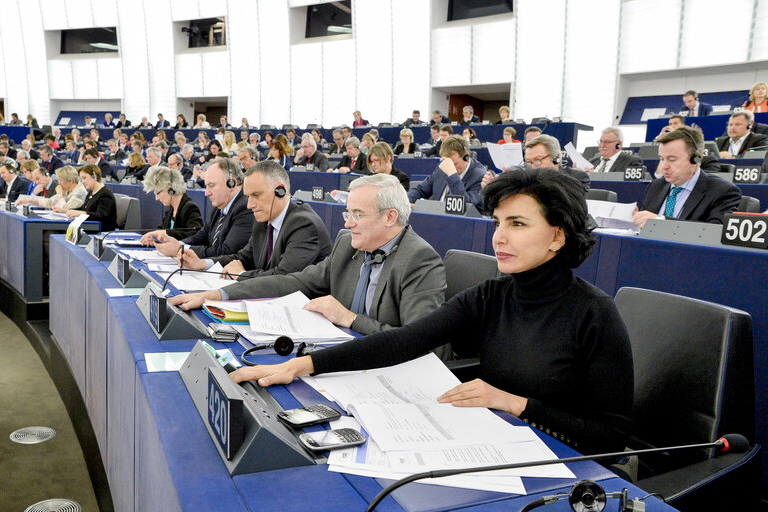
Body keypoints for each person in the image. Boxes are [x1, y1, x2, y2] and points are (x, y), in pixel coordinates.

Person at [228, 167, 633, 455]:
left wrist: (515, 403)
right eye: (497, 223)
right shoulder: (492, 295)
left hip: (565, 463)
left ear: (557, 237)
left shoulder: (595, 314)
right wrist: (301, 367)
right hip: (497, 441)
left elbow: (611, 438)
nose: (500, 237)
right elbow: (405, 341)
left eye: (518, 224)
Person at [170, 173, 446, 336]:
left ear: (390, 217)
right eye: (347, 213)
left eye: (357, 215)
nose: (347, 223)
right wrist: (218, 295)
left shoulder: (419, 260)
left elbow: (420, 341)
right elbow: (293, 281)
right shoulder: (348, 245)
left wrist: (349, 319)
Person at [177, 160, 333, 280]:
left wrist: (242, 274)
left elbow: (283, 278)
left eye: (256, 195)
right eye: (248, 196)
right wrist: (204, 264)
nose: (250, 205)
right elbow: (244, 257)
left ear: (280, 191)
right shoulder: (264, 219)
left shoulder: (304, 225)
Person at [633, 127, 741, 228]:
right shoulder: (655, 186)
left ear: (695, 160)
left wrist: (660, 222)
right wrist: (638, 218)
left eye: (672, 159)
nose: (664, 166)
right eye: (662, 159)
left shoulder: (722, 191)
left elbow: (713, 232)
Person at [148, 158, 253, 258]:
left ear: (231, 183)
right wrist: (176, 244)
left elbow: (227, 252)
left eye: (211, 185)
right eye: (206, 186)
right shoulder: (219, 207)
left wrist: (181, 249)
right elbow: (201, 237)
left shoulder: (245, 208)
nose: (206, 193)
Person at [482, 135, 590, 193]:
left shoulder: (578, 178)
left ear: (556, 158)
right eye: (528, 162)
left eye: (538, 160)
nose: (533, 167)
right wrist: (492, 187)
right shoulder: (523, 176)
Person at [408, 135, 485, 212]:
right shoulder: (443, 166)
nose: (449, 167)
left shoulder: (480, 176)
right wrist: (405, 202)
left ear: (466, 157)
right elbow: (420, 190)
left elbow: (465, 207)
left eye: (454, 164)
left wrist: (452, 175)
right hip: (435, 217)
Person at [139, 166, 204, 240]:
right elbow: (161, 229)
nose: (156, 198)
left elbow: (196, 235)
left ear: (170, 189)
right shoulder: (172, 209)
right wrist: (152, 237)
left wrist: (165, 233)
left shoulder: (190, 207)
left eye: (158, 193)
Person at [67, 164, 118, 231]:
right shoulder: (91, 192)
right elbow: (83, 208)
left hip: (100, 231)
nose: (83, 182)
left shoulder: (105, 195)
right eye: (81, 179)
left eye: (84, 178)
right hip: (89, 227)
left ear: (94, 176)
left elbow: (101, 216)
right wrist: (67, 210)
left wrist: (81, 213)